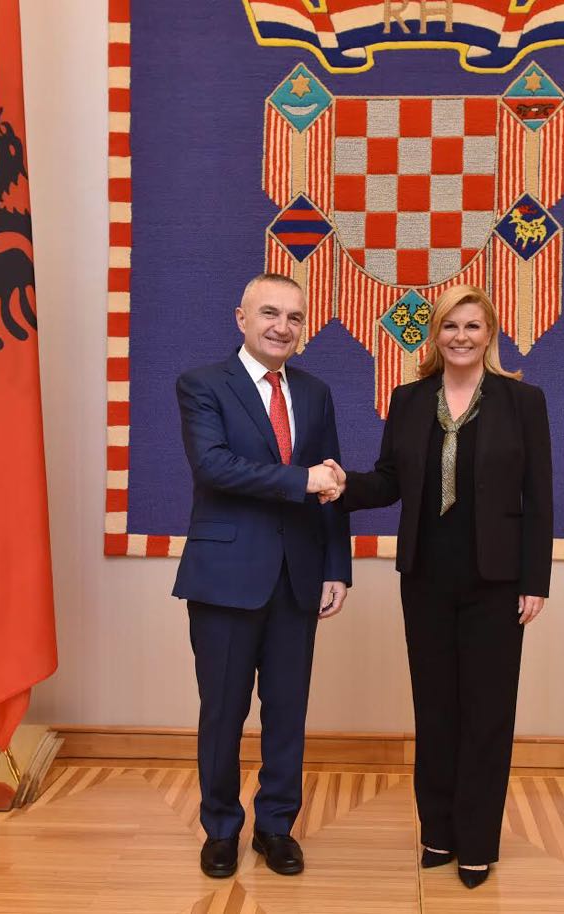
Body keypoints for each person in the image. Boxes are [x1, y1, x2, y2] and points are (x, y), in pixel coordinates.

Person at [324, 284, 552, 889]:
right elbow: (389, 481)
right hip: (425, 577)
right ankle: (439, 833)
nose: (460, 336)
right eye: (450, 326)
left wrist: (535, 579)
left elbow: (539, 497)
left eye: (472, 326)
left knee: (487, 713)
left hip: (497, 582)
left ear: (490, 333)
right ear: (434, 335)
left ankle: (476, 841)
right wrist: (342, 485)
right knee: (435, 709)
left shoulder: (523, 402)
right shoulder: (408, 399)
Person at [172, 273, 350, 879]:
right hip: (225, 576)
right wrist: (302, 479)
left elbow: (331, 483)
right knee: (223, 712)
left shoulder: (316, 392)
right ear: (241, 318)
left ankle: (276, 827)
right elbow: (214, 466)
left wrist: (336, 566)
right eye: (270, 313)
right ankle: (221, 829)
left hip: (299, 576)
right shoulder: (202, 385)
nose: (282, 327)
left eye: (294, 317)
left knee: (287, 711)